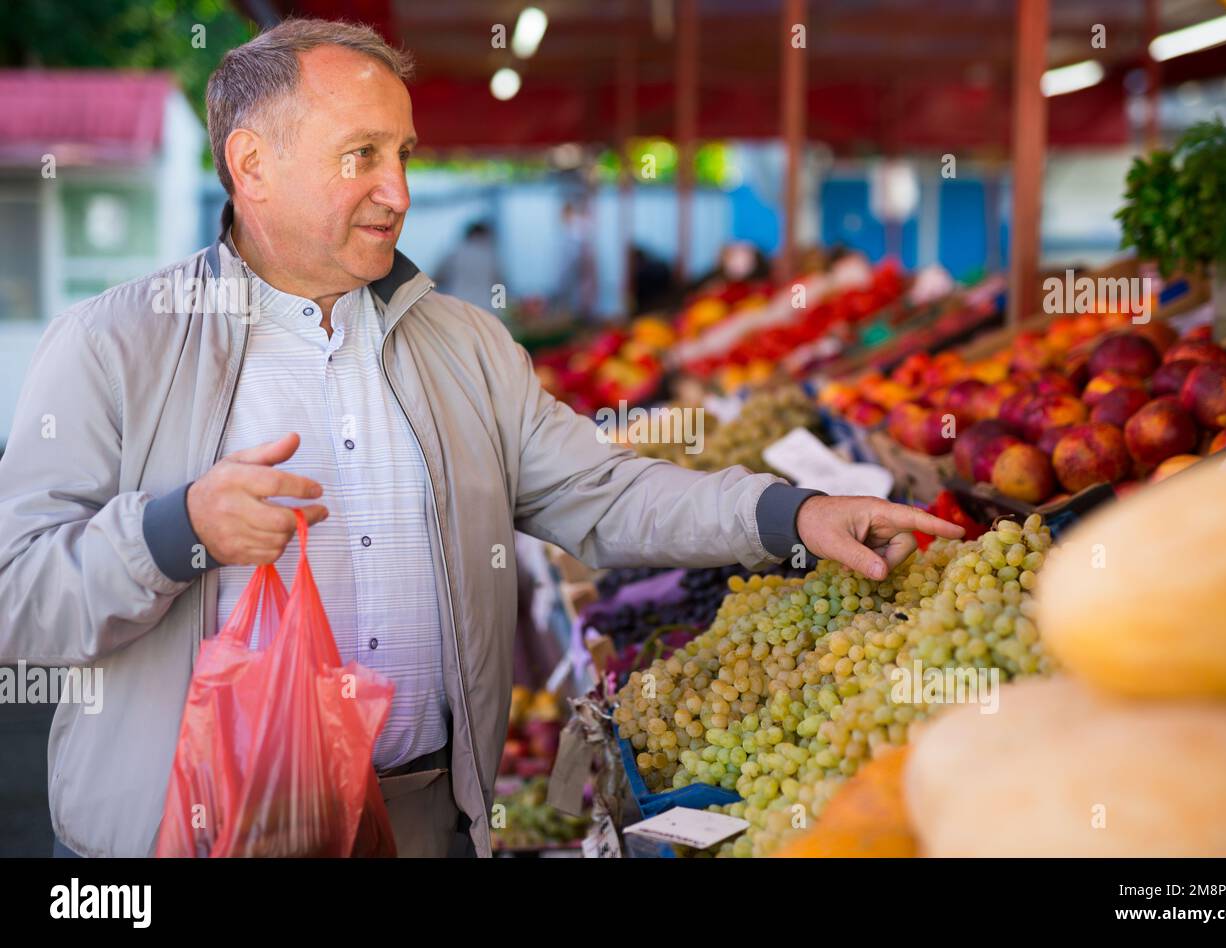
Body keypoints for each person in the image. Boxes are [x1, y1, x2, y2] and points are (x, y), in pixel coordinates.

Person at [0, 18, 962, 859]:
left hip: (422, 822)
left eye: (405, 153)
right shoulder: (114, 345)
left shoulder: (465, 344)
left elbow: (606, 494)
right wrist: (177, 532)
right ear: (252, 165)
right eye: (362, 155)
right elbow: (16, 602)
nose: (401, 191)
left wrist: (792, 512)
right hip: (192, 834)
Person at [432, 220, 501, 313]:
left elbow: (434, 280)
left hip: (458, 306)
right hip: (486, 310)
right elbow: (499, 285)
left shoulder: (455, 254)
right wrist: (501, 309)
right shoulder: (491, 257)